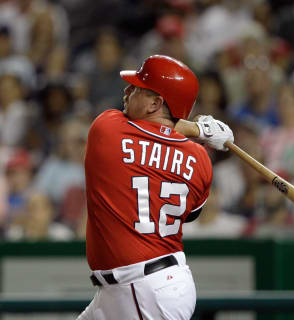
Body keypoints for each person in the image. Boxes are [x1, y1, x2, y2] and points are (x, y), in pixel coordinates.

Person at [78, 55, 234, 320]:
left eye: (137, 88)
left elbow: (152, 129)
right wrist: (198, 133)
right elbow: (191, 213)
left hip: (143, 288)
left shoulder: (107, 129)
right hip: (143, 286)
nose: (127, 91)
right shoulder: (200, 159)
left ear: (155, 102)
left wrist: (198, 129)